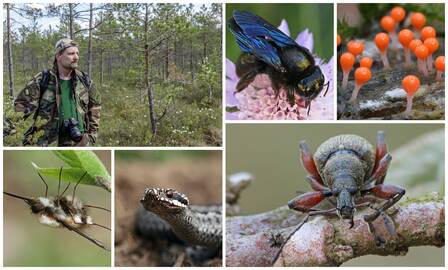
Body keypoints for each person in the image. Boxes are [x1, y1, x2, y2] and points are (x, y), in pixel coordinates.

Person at [14, 38, 101, 146]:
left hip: (79, 143)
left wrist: (91, 136)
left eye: (77, 53)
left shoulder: (84, 80)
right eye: (71, 53)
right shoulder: (43, 79)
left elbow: (95, 107)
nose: (76, 57)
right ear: (58, 56)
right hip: (48, 144)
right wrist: (7, 136)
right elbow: (18, 110)